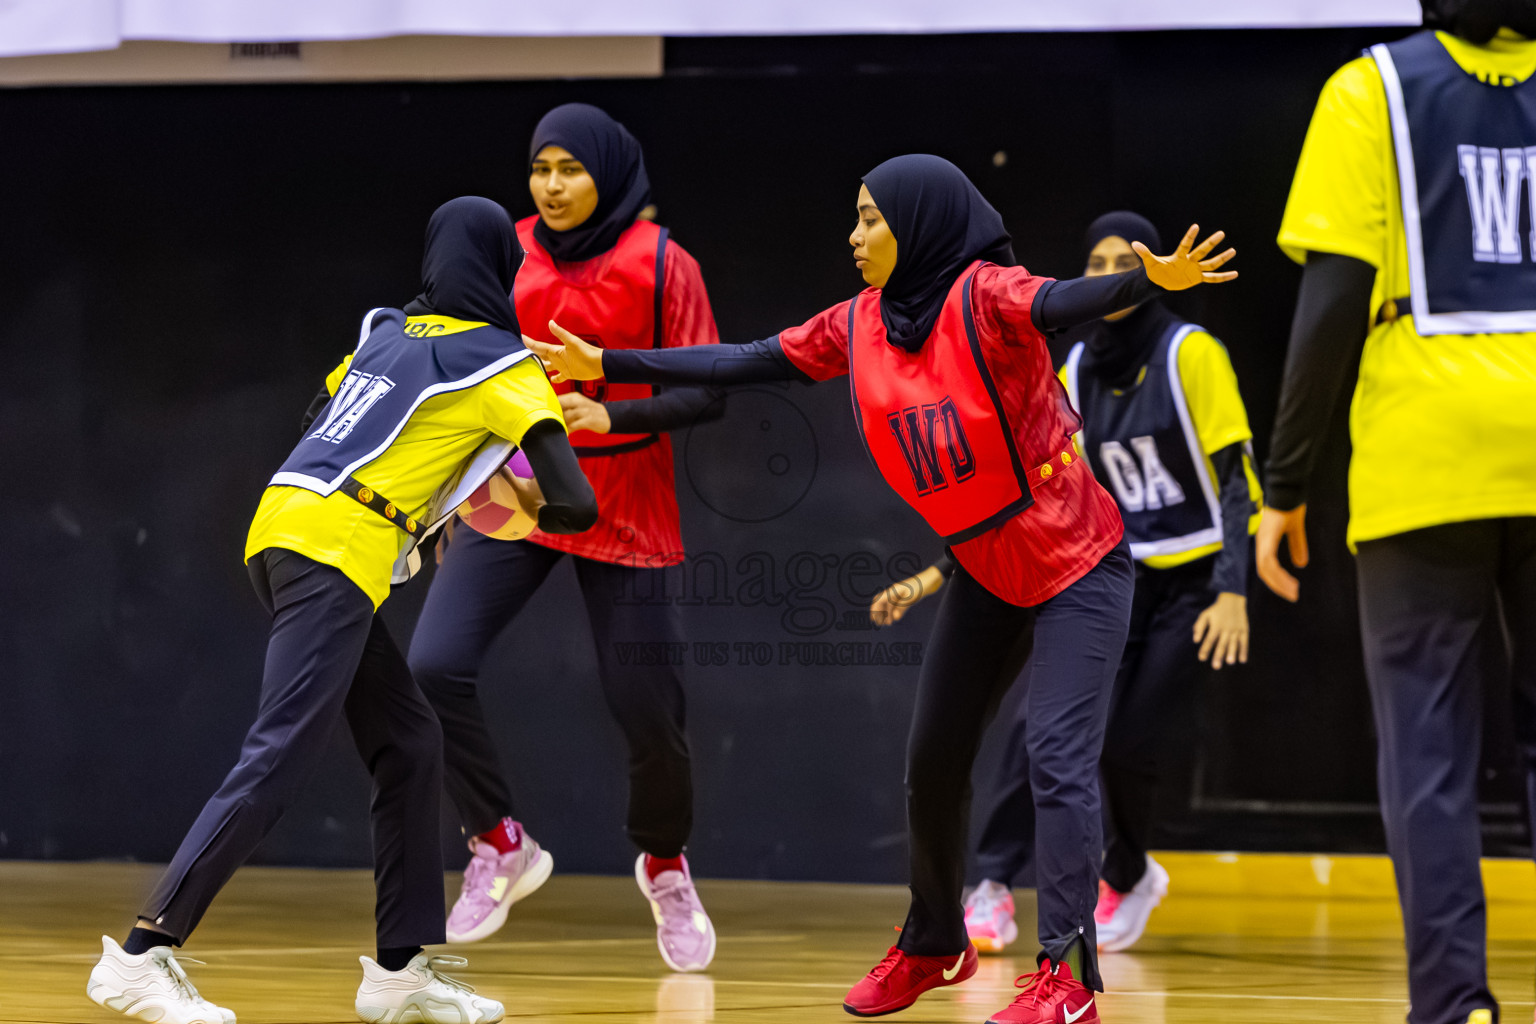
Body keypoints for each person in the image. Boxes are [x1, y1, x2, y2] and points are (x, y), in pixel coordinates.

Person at [528, 153, 1236, 1024]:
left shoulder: (986, 294)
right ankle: (937, 941)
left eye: (870, 218)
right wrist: (607, 357)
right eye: (855, 217)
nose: (854, 235)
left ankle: (1067, 978)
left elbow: (1056, 299)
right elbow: (748, 359)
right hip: (985, 567)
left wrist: (1136, 284)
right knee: (931, 761)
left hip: (1077, 562)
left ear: (921, 223)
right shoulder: (857, 323)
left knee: (1055, 756)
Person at [85, 196, 597, 1024]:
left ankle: (399, 972)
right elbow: (576, 505)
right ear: (504, 266)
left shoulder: (388, 332)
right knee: (281, 751)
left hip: (284, 524)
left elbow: (318, 421)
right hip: (337, 552)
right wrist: (502, 498)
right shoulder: (507, 364)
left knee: (410, 740)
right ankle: (145, 954)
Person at [875, 211, 1261, 956]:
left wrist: (1233, 590)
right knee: (1035, 728)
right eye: (1096, 260)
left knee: (1123, 739)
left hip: (1192, 577)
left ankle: (1130, 870)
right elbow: (1033, 484)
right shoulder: (1076, 365)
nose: (1109, 270)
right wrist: (935, 573)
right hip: (1107, 569)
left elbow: (1238, 477)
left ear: (1150, 272)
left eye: (1127, 257)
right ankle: (988, 884)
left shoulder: (1191, 352)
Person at [1256, 2, 1536, 1023]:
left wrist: (1282, 488)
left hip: (1429, 455)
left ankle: (1456, 1002)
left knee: (1430, 749)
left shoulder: (1368, 88)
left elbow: (1332, 304)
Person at [406, 104, 725, 971]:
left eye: (570, 169)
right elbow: (460, 375)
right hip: (516, 494)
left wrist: (611, 406)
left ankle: (664, 863)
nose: (551, 186)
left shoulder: (663, 264)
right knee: (431, 666)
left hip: (623, 501)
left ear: (608, 175)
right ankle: (498, 841)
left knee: (649, 717)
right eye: (541, 168)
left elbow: (708, 392)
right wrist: (450, 494)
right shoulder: (504, 250)